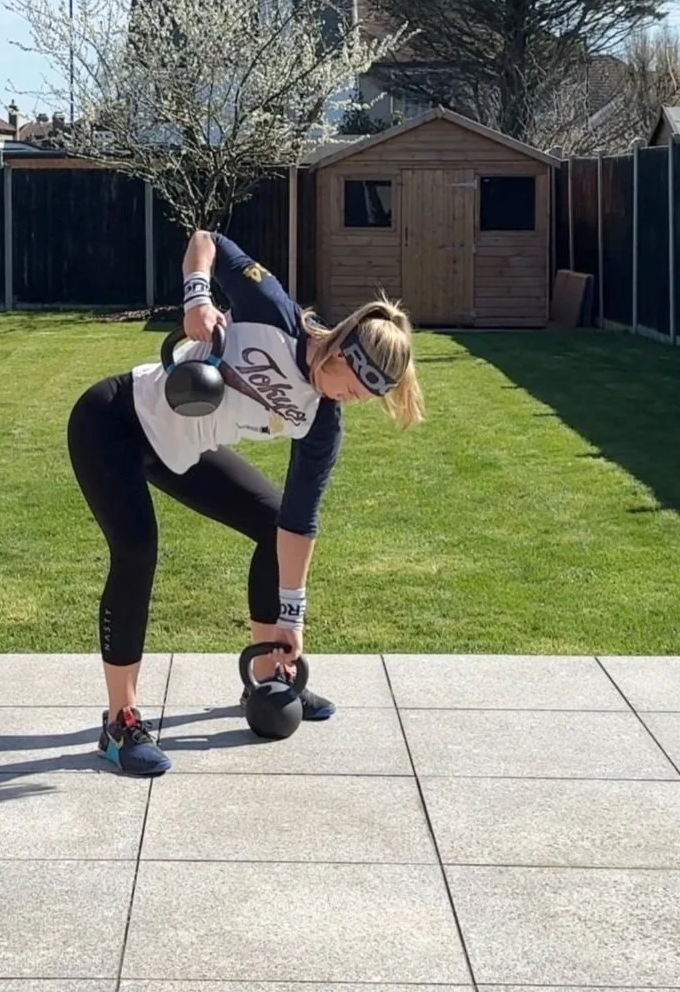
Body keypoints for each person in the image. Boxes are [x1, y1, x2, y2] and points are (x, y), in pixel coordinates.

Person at [66, 229, 424, 776]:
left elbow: (300, 524)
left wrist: (291, 617)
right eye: (355, 384)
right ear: (343, 348)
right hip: (112, 421)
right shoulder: (273, 312)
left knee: (270, 519)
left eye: (367, 398)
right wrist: (198, 299)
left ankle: (268, 676)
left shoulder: (321, 422)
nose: (353, 398)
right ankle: (121, 722)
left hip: (178, 449)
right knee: (136, 549)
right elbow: (206, 240)